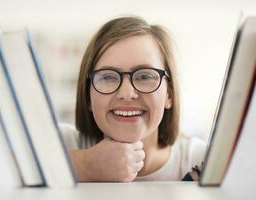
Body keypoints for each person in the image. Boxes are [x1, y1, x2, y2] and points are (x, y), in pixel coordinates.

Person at [60, 16, 206, 182]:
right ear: (87, 95)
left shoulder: (202, 160)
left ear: (169, 95)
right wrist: (85, 165)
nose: (127, 93)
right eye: (108, 77)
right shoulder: (60, 143)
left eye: (144, 76)